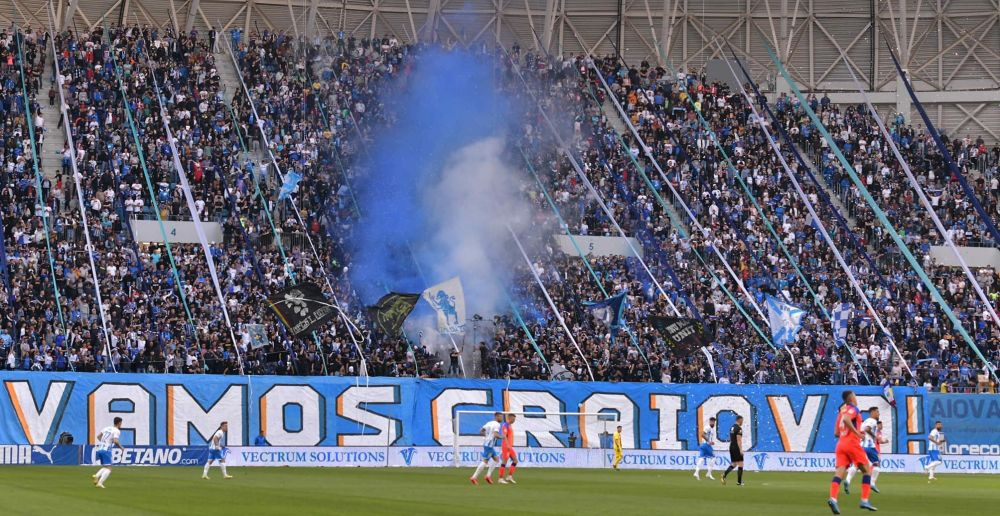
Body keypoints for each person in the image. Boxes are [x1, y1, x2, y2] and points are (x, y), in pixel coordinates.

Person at [828, 391, 877, 514]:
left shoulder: (841, 412)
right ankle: (864, 500)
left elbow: (836, 433)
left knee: (839, 472)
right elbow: (846, 419)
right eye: (855, 395)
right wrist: (857, 433)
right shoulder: (853, 409)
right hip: (852, 443)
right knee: (867, 470)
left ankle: (833, 498)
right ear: (851, 398)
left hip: (841, 444)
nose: (856, 397)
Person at [844, 407, 881, 494]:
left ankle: (847, 480)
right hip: (869, 446)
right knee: (877, 464)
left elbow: (861, 431)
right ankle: (872, 483)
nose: (878, 414)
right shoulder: (872, 421)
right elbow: (867, 429)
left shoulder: (864, 422)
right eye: (877, 412)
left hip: (860, 446)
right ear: (872, 412)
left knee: (857, 465)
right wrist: (874, 436)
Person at [92, 417, 125, 488]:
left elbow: (98, 436)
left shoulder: (106, 428)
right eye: (121, 423)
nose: (121, 424)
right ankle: (100, 483)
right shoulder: (116, 431)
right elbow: (116, 441)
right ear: (119, 423)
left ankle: (96, 476)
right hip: (106, 450)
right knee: (109, 468)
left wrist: (104, 442)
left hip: (100, 449)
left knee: (106, 466)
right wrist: (121, 447)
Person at [470, 412, 502, 485]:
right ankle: (474, 477)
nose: (501, 418)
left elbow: (481, 430)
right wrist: (502, 437)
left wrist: (486, 437)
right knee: (485, 461)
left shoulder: (489, 423)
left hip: (487, 444)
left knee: (496, 459)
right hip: (489, 445)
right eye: (500, 417)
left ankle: (488, 476)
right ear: (496, 417)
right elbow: (496, 435)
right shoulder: (497, 424)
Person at [722, 415, 744, 485]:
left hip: (731, 446)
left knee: (734, 464)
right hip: (736, 447)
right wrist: (741, 450)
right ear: (739, 420)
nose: (742, 422)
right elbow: (739, 440)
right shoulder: (739, 428)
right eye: (742, 421)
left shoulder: (732, 427)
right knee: (741, 464)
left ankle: (724, 475)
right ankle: (739, 482)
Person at [498, 413, 518, 484]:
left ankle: (509, 476)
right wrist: (507, 445)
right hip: (506, 446)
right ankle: (500, 478)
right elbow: (504, 436)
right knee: (504, 462)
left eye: (515, 419)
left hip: (510, 446)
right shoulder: (505, 425)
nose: (514, 420)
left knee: (515, 461)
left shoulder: (510, 425)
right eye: (513, 418)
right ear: (509, 418)